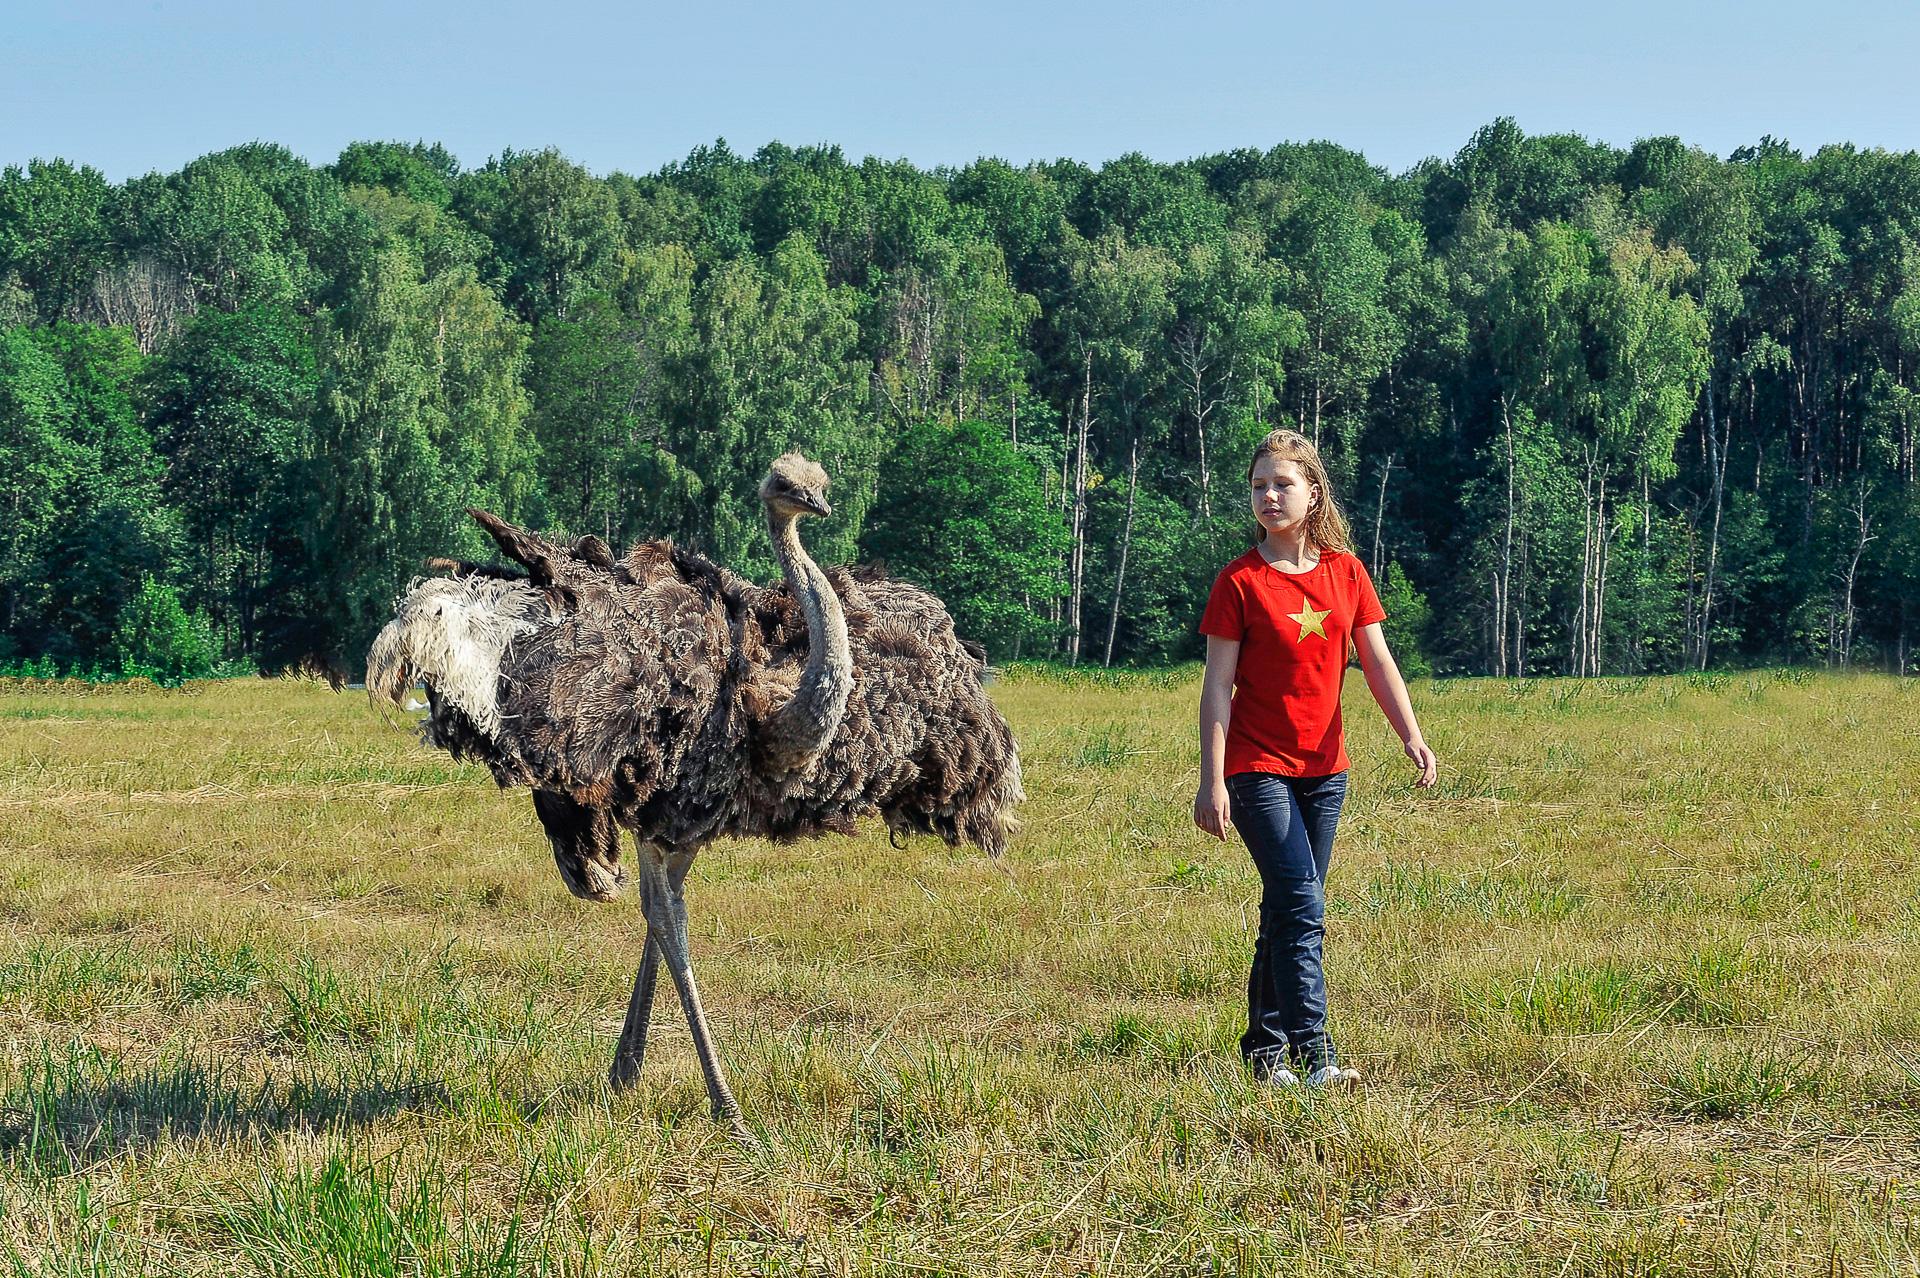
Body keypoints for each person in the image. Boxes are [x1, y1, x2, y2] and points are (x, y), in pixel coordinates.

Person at [1193, 429, 1438, 1089]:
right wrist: (1211, 780)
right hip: (1255, 767)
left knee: (1287, 907)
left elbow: (1377, 661)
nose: (1269, 496)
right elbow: (1218, 686)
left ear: (1313, 491)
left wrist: (1410, 734)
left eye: (1282, 484)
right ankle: (1315, 1058)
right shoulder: (1238, 582)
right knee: (1302, 905)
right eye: (1258, 486)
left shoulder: (1346, 573)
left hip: (1325, 772)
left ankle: (1263, 1056)